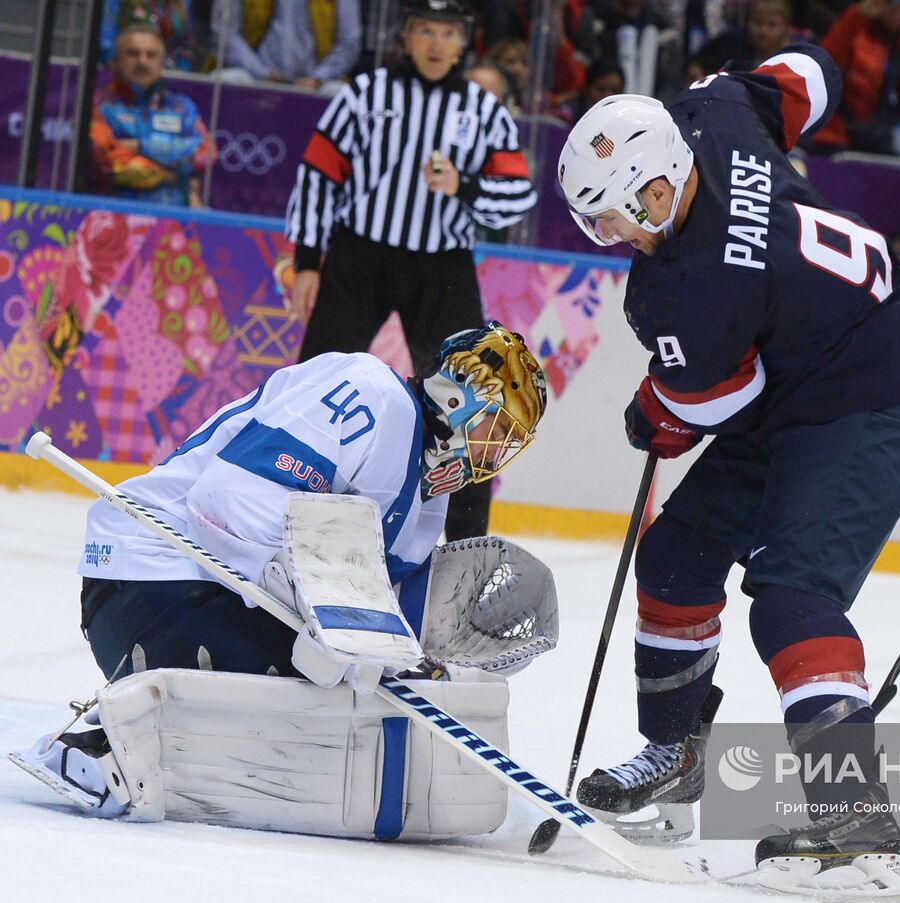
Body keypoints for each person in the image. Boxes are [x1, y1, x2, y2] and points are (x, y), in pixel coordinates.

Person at [557, 43, 900, 901]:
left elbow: (706, 399)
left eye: (612, 217)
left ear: (657, 190)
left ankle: (856, 820)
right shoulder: (714, 114)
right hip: (802, 366)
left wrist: (652, 412)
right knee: (673, 562)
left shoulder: (684, 292)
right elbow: (810, 73)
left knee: (793, 598)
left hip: (872, 396)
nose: (607, 237)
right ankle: (676, 757)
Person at [8, 324, 550, 835]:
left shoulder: (430, 494)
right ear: (456, 395)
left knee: (358, 696)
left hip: (210, 595)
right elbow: (226, 506)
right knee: (326, 684)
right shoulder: (370, 390)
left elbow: (381, 610)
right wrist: (321, 612)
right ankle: (106, 736)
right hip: (153, 577)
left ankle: (146, 735)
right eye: (497, 425)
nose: (497, 447)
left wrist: (432, 653)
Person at [285, 0, 537, 542]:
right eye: (427, 30)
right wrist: (308, 260)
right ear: (407, 35)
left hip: (441, 267)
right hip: (360, 259)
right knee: (312, 386)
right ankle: (279, 508)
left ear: (463, 41)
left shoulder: (484, 110)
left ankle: (465, 545)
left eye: (448, 32)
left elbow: (518, 196)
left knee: (470, 404)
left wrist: (464, 186)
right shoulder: (365, 94)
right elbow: (318, 173)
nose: (436, 43)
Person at [89, 21, 215, 207]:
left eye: (151, 55)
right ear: (115, 61)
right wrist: (174, 175)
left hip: (173, 223)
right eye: (133, 54)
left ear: (161, 63)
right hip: (115, 219)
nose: (142, 61)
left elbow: (205, 154)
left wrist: (141, 145)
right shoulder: (99, 106)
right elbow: (109, 162)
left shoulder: (181, 106)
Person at [813, 0, 900, 164]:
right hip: (847, 142)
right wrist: (856, 16)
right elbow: (821, 64)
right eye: (888, 2)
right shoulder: (855, 36)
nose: (894, 9)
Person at [212, 0, 362, 92]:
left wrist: (317, 77)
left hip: (316, 83)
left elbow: (350, 41)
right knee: (224, 79)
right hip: (257, 76)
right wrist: (262, 72)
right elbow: (225, 33)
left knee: (338, 92)